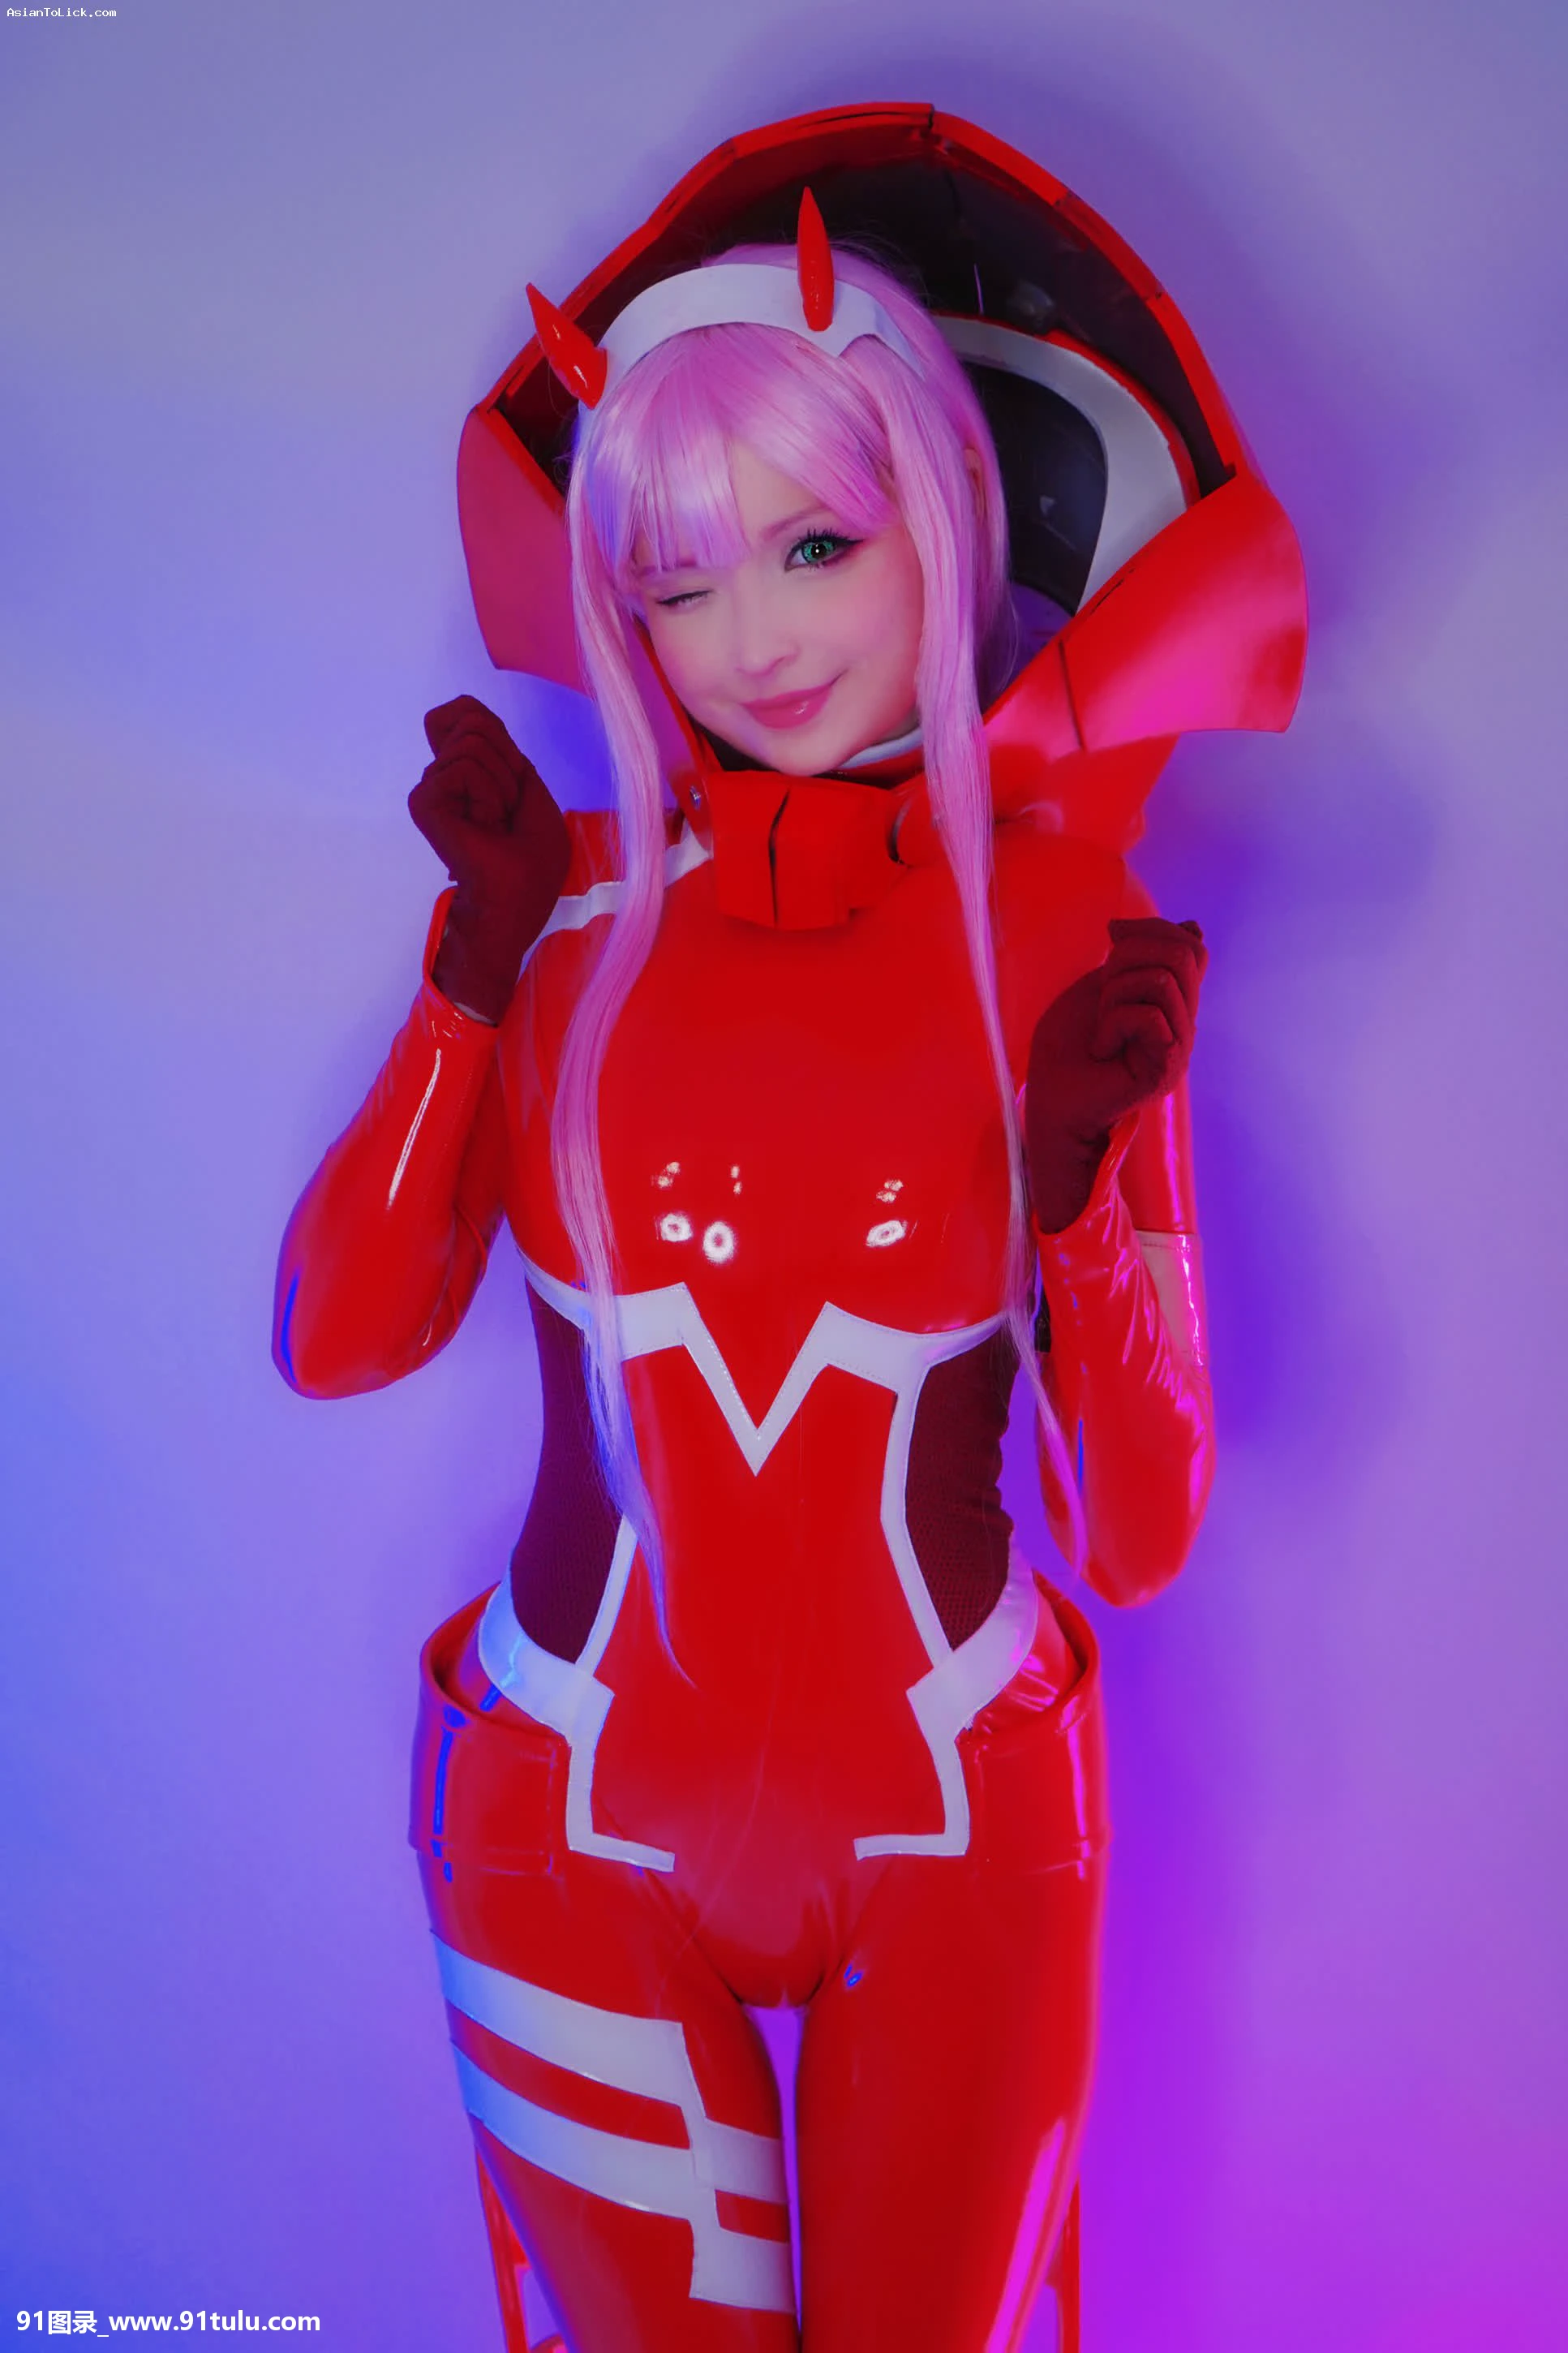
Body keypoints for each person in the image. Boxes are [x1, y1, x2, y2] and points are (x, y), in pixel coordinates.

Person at [273, 110, 1304, 2353]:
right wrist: (465, 987)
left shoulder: (1064, 933)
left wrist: (1085, 1215)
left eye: (816, 543)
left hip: (962, 1828)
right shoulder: (555, 916)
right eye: (675, 579)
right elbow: (335, 1338)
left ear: (948, 513)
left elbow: (1138, 1533)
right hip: (567, 1823)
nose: (748, 637)